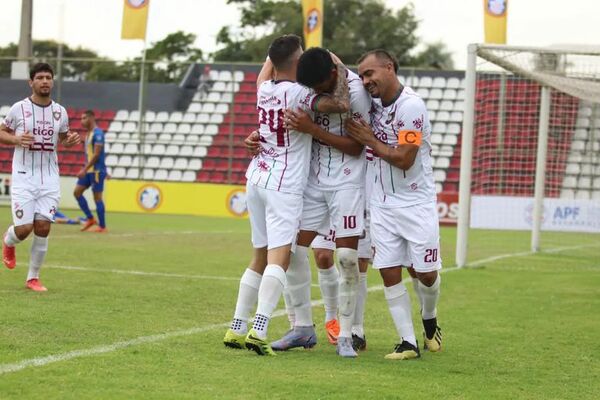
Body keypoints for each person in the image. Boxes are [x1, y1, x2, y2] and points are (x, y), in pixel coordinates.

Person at [222, 34, 350, 356]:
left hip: (256, 177)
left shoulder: (264, 88)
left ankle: (237, 325)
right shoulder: (301, 94)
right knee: (281, 256)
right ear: (298, 62)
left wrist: (277, 53)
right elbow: (339, 104)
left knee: (258, 256)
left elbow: (266, 70)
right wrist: (333, 61)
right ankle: (260, 327)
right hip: (284, 184)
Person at [271, 48, 371, 358]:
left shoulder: (356, 94)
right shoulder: (307, 86)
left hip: (347, 181)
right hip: (313, 179)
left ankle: (346, 333)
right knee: (292, 249)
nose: (314, 93)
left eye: (319, 87)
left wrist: (313, 129)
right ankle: (302, 327)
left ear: (332, 75)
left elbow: (356, 147)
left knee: (347, 258)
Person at [345, 49, 443, 360]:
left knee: (426, 274)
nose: (365, 80)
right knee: (387, 270)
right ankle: (408, 342)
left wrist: (370, 139)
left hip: (416, 203)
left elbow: (404, 158)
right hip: (382, 204)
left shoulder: (411, 106)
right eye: (362, 75)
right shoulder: (371, 105)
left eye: (370, 73)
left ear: (389, 68)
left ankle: (429, 318)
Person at [0, 62, 80, 291]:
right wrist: (16, 139)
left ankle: (32, 278)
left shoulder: (60, 112)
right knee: (24, 230)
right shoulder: (18, 109)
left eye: (48, 77)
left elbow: (63, 138)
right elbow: (1, 132)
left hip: (50, 177)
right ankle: (8, 240)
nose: (45, 81)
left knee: (43, 227)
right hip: (24, 176)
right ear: (31, 82)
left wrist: (69, 141)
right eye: (40, 77)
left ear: (52, 81)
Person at [74, 110, 107, 233]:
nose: (81, 121)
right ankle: (90, 218)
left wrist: (84, 169)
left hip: (96, 171)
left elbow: (97, 154)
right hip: (89, 171)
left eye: (84, 118)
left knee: (97, 198)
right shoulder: (89, 134)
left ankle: (103, 227)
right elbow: (90, 154)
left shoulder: (98, 133)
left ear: (92, 118)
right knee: (77, 192)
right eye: (81, 118)